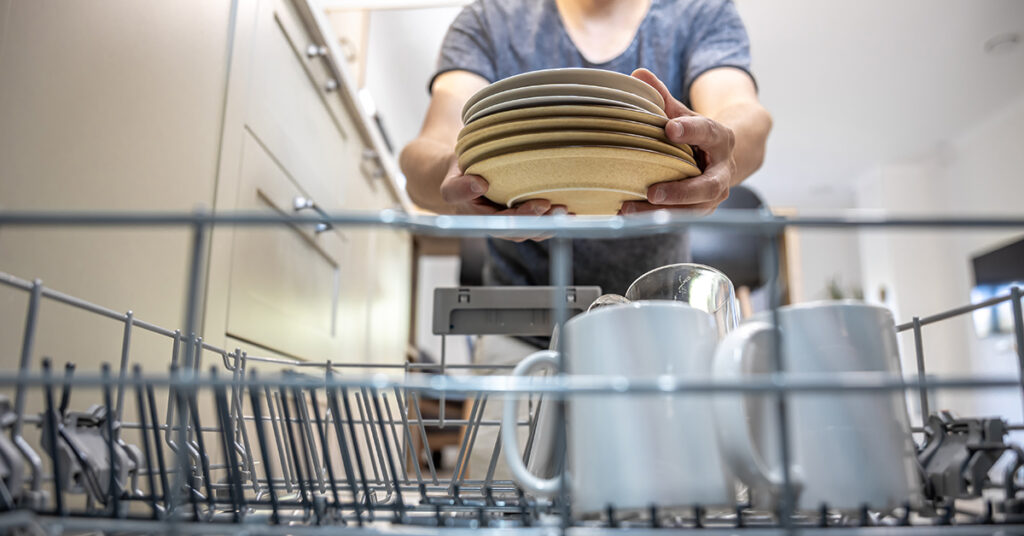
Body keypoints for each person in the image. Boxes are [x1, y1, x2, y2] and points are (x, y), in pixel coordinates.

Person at [399, 0, 771, 478]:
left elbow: (746, 115)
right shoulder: (489, 20)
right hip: (520, 338)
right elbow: (424, 153)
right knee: (500, 515)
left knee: (669, 509)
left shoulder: (698, 12)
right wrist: (449, 174)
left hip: (658, 335)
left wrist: (726, 145)